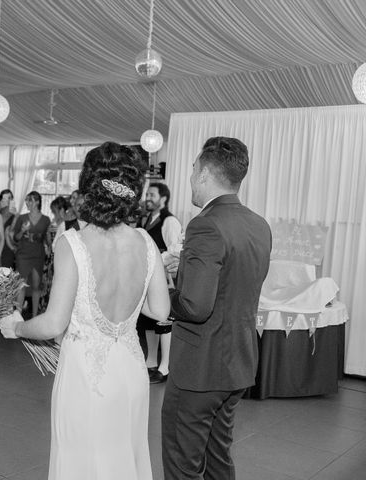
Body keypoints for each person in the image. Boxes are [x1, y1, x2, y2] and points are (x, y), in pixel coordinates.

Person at [0, 142, 169, 480]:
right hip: (132, 373)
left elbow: (53, 323)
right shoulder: (145, 241)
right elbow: (161, 310)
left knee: (83, 462)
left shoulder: (73, 243)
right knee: (126, 457)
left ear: (88, 187)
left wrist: (16, 327)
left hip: (86, 374)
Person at [161, 137, 271, 480]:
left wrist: (161, 294)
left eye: (193, 170)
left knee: (183, 465)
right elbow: (233, 286)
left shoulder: (205, 224)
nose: (191, 178)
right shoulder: (259, 224)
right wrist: (187, 272)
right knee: (218, 459)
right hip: (237, 362)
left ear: (206, 174)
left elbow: (195, 305)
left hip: (200, 368)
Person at [137, 182, 183, 383]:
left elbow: (175, 250)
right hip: (149, 276)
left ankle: (164, 367)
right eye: (147, 194)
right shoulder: (148, 218)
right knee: (148, 320)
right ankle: (151, 361)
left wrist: (158, 261)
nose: (148, 197)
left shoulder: (170, 221)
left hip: (165, 278)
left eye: (152, 194)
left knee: (163, 319)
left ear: (163, 199)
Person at [11, 191, 50, 318]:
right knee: (21, 285)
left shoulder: (46, 219)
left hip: (38, 254)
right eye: (27, 200)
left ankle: (34, 316)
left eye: (30, 200)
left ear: (37, 202)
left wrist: (50, 247)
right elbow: (16, 238)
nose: (27, 203)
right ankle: (18, 315)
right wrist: (22, 230)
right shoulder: (22, 218)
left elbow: (46, 238)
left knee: (36, 285)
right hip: (23, 253)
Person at [0, 189, 16, 268]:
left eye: (9, 198)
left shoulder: (14, 213)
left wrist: (16, 217)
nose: (7, 201)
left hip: (7, 246)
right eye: (4, 198)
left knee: (5, 271)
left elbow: (13, 231)